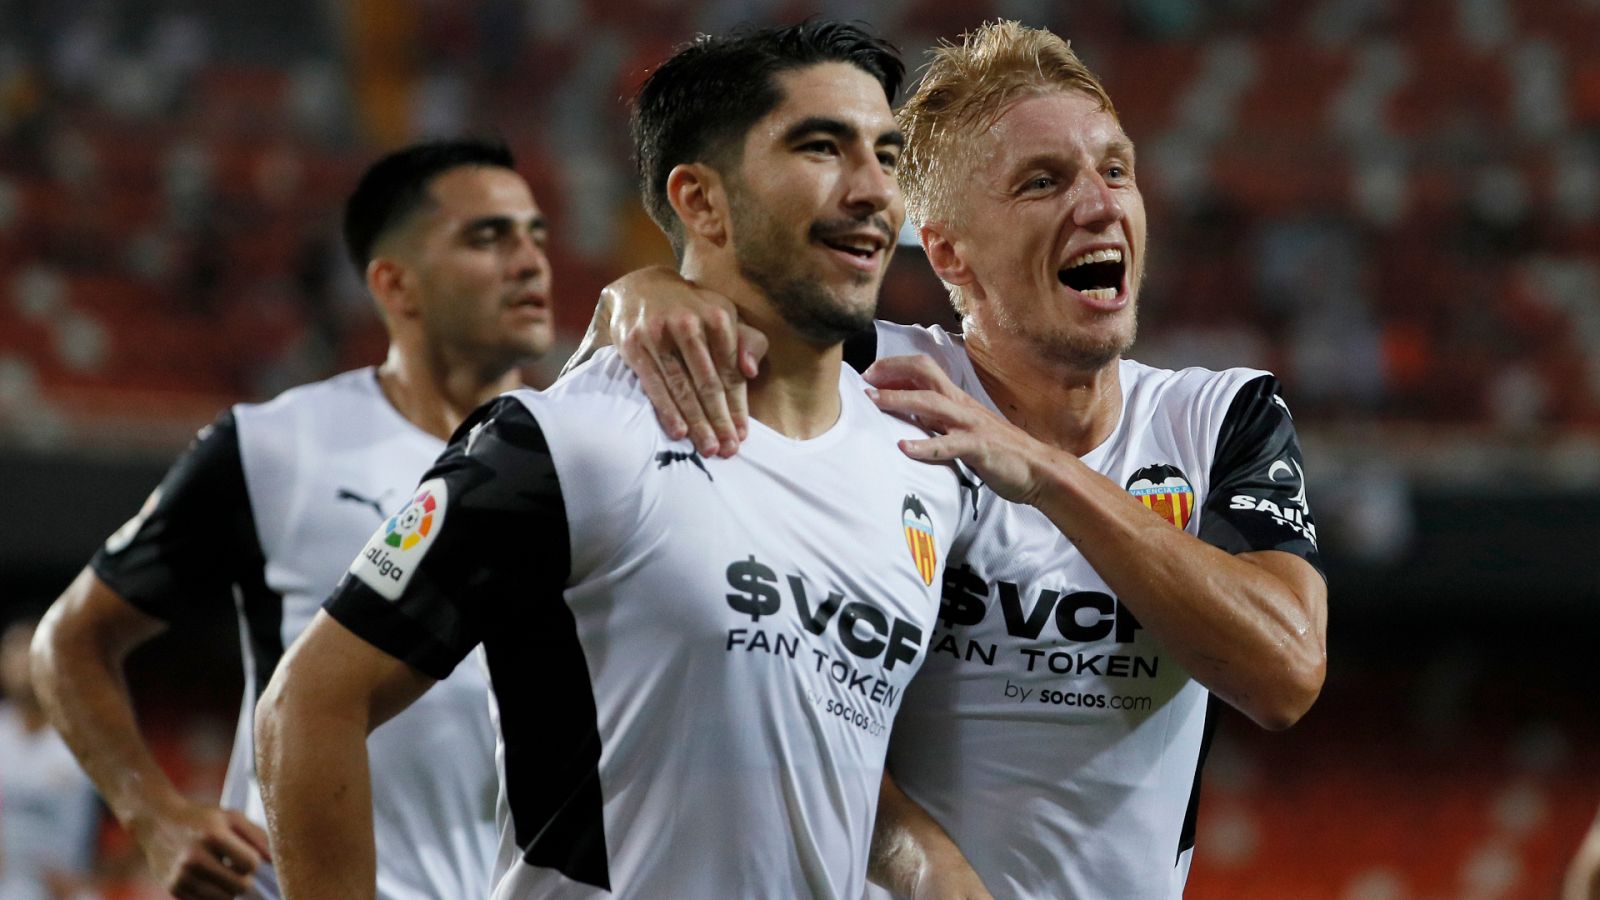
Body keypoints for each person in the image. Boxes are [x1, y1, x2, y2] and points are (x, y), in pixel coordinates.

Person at [590, 20, 1328, 899]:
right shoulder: (871, 380)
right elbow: (613, 407)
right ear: (947, 252)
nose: (1099, 204)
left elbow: (1284, 675)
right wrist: (639, 295)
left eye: (1116, 169)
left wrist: (1048, 475)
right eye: (1043, 182)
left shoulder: (1218, 419)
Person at [253, 21, 979, 900]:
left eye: (888, 156)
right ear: (702, 202)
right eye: (821, 147)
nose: (873, 191)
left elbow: (839, 773)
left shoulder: (921, 466)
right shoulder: (568, 441)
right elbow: (308, 705)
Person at [29, 138, 555, 900]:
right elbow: (69, 642)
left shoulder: (577, 458)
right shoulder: (281, 446)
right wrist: (154, 813)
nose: (531, 259)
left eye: (536, 233)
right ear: (395, 284)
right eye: (488, 236)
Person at [1, 616, 100, 900]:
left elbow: (135, 822)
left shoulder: (85, 738)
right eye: (14, 652)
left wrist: (96, 874)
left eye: (31, 651)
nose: (22, 663)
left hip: (68, 886)